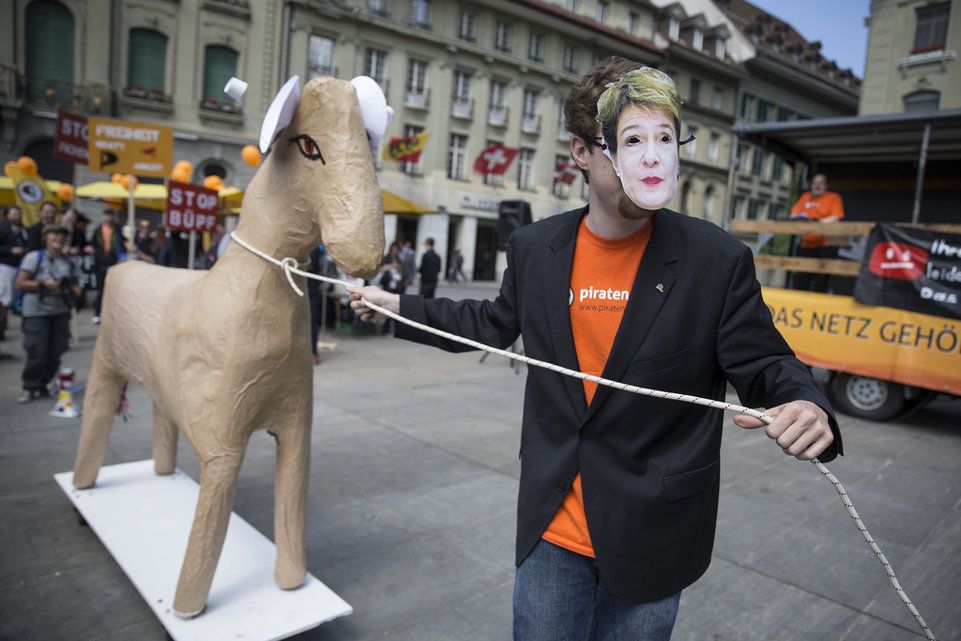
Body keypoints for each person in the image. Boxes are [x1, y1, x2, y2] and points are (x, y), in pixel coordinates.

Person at [349, 60, 841, 641]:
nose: (653, 159)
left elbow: (766, 363)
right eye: (631, 142)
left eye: (665, 140)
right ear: (583, 152)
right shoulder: (537, 247)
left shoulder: (717, 260)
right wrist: (396, 307)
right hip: (555, 525)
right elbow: (490, 322)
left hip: (655, 531)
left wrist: (806, 404)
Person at [14, 223, 81, 402]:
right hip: (36, 312)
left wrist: (71, 288)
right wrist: (42, 284)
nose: (58, 238)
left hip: (60, 311)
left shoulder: (68, 261)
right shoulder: (34, 257)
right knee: (37, 351)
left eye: (62, 236)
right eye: (54, 235)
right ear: (46, 238)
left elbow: (77, 288)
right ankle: (30, 386)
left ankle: (44, 384)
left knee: (57, 350)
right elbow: (20, 283)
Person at [789, 173, 845, 292]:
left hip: (825, 246)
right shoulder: (805, 196)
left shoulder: (833, 197)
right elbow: (794, 215)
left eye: (821, 183)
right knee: (800, 279)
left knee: (821, 280)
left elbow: (836, 217)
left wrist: (816, 224)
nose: (817, 185)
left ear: (826, 185)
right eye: (815, 182)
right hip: (806, 244)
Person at [87, 207, 123, 324]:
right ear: (103, 217)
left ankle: (112, 314)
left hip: (115, 264)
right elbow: (91, 244)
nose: (109, 217)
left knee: (115, 290)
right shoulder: (98, 230)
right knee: (101, 289)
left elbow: (124, 243)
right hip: (100, 264)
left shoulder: (118, 230)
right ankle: (97, 313)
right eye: (106, 215)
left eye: (111, 215)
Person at [0, 206, 29, 341]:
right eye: (14, 214)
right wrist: (11, 250)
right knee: (4, 297)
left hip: (19, 265)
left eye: (18, 214)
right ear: (7, 215)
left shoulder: (23, 229)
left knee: (11, 298)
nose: (16, 216)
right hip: (5, 265)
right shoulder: (2, 227)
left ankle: (4, 322)